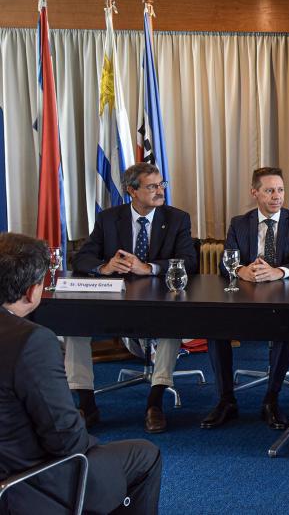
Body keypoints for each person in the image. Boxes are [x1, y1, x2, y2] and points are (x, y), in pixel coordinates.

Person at [0, 233, 163, 514]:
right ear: (32, 291)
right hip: (25, 484)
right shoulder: (31, 342)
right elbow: (66, 441)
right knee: (146, 456)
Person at [69, 163, 197, 434]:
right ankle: (86, 403)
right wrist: (104, 267)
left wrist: (148, 268)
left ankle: (155, 401)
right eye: (152, 186)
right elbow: (82, 258)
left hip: (159, 301)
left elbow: (190, 261)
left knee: (171, 328)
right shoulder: (108, 219)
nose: (160, 191)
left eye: (161, 185)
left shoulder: (177, 218)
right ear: (132, 191)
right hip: (115, 302)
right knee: (74, 328)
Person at [202, 167, 289, 431]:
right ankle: (226, 400)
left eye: (281, 190)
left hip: (283, 298)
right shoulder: (239, 223)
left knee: (287, 327)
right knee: (214, 328)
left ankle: (271, 400)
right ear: (255, 193)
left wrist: (278, 272)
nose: (277, 196)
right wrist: (241, 270)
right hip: (246, 297)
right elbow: (225, 262)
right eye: (269, 190)